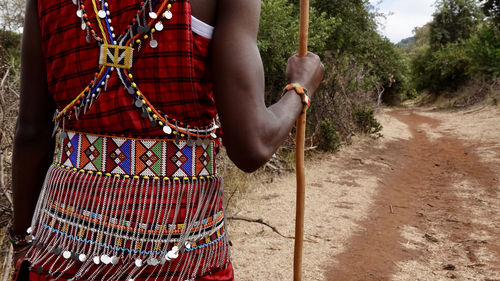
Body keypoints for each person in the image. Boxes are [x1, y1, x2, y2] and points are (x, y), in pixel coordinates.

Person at [10, 0, 324, 280]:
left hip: (59, 259)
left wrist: (22, 242)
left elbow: (32, 134)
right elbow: (252, 145)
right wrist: (300, 88)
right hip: (183, 263)